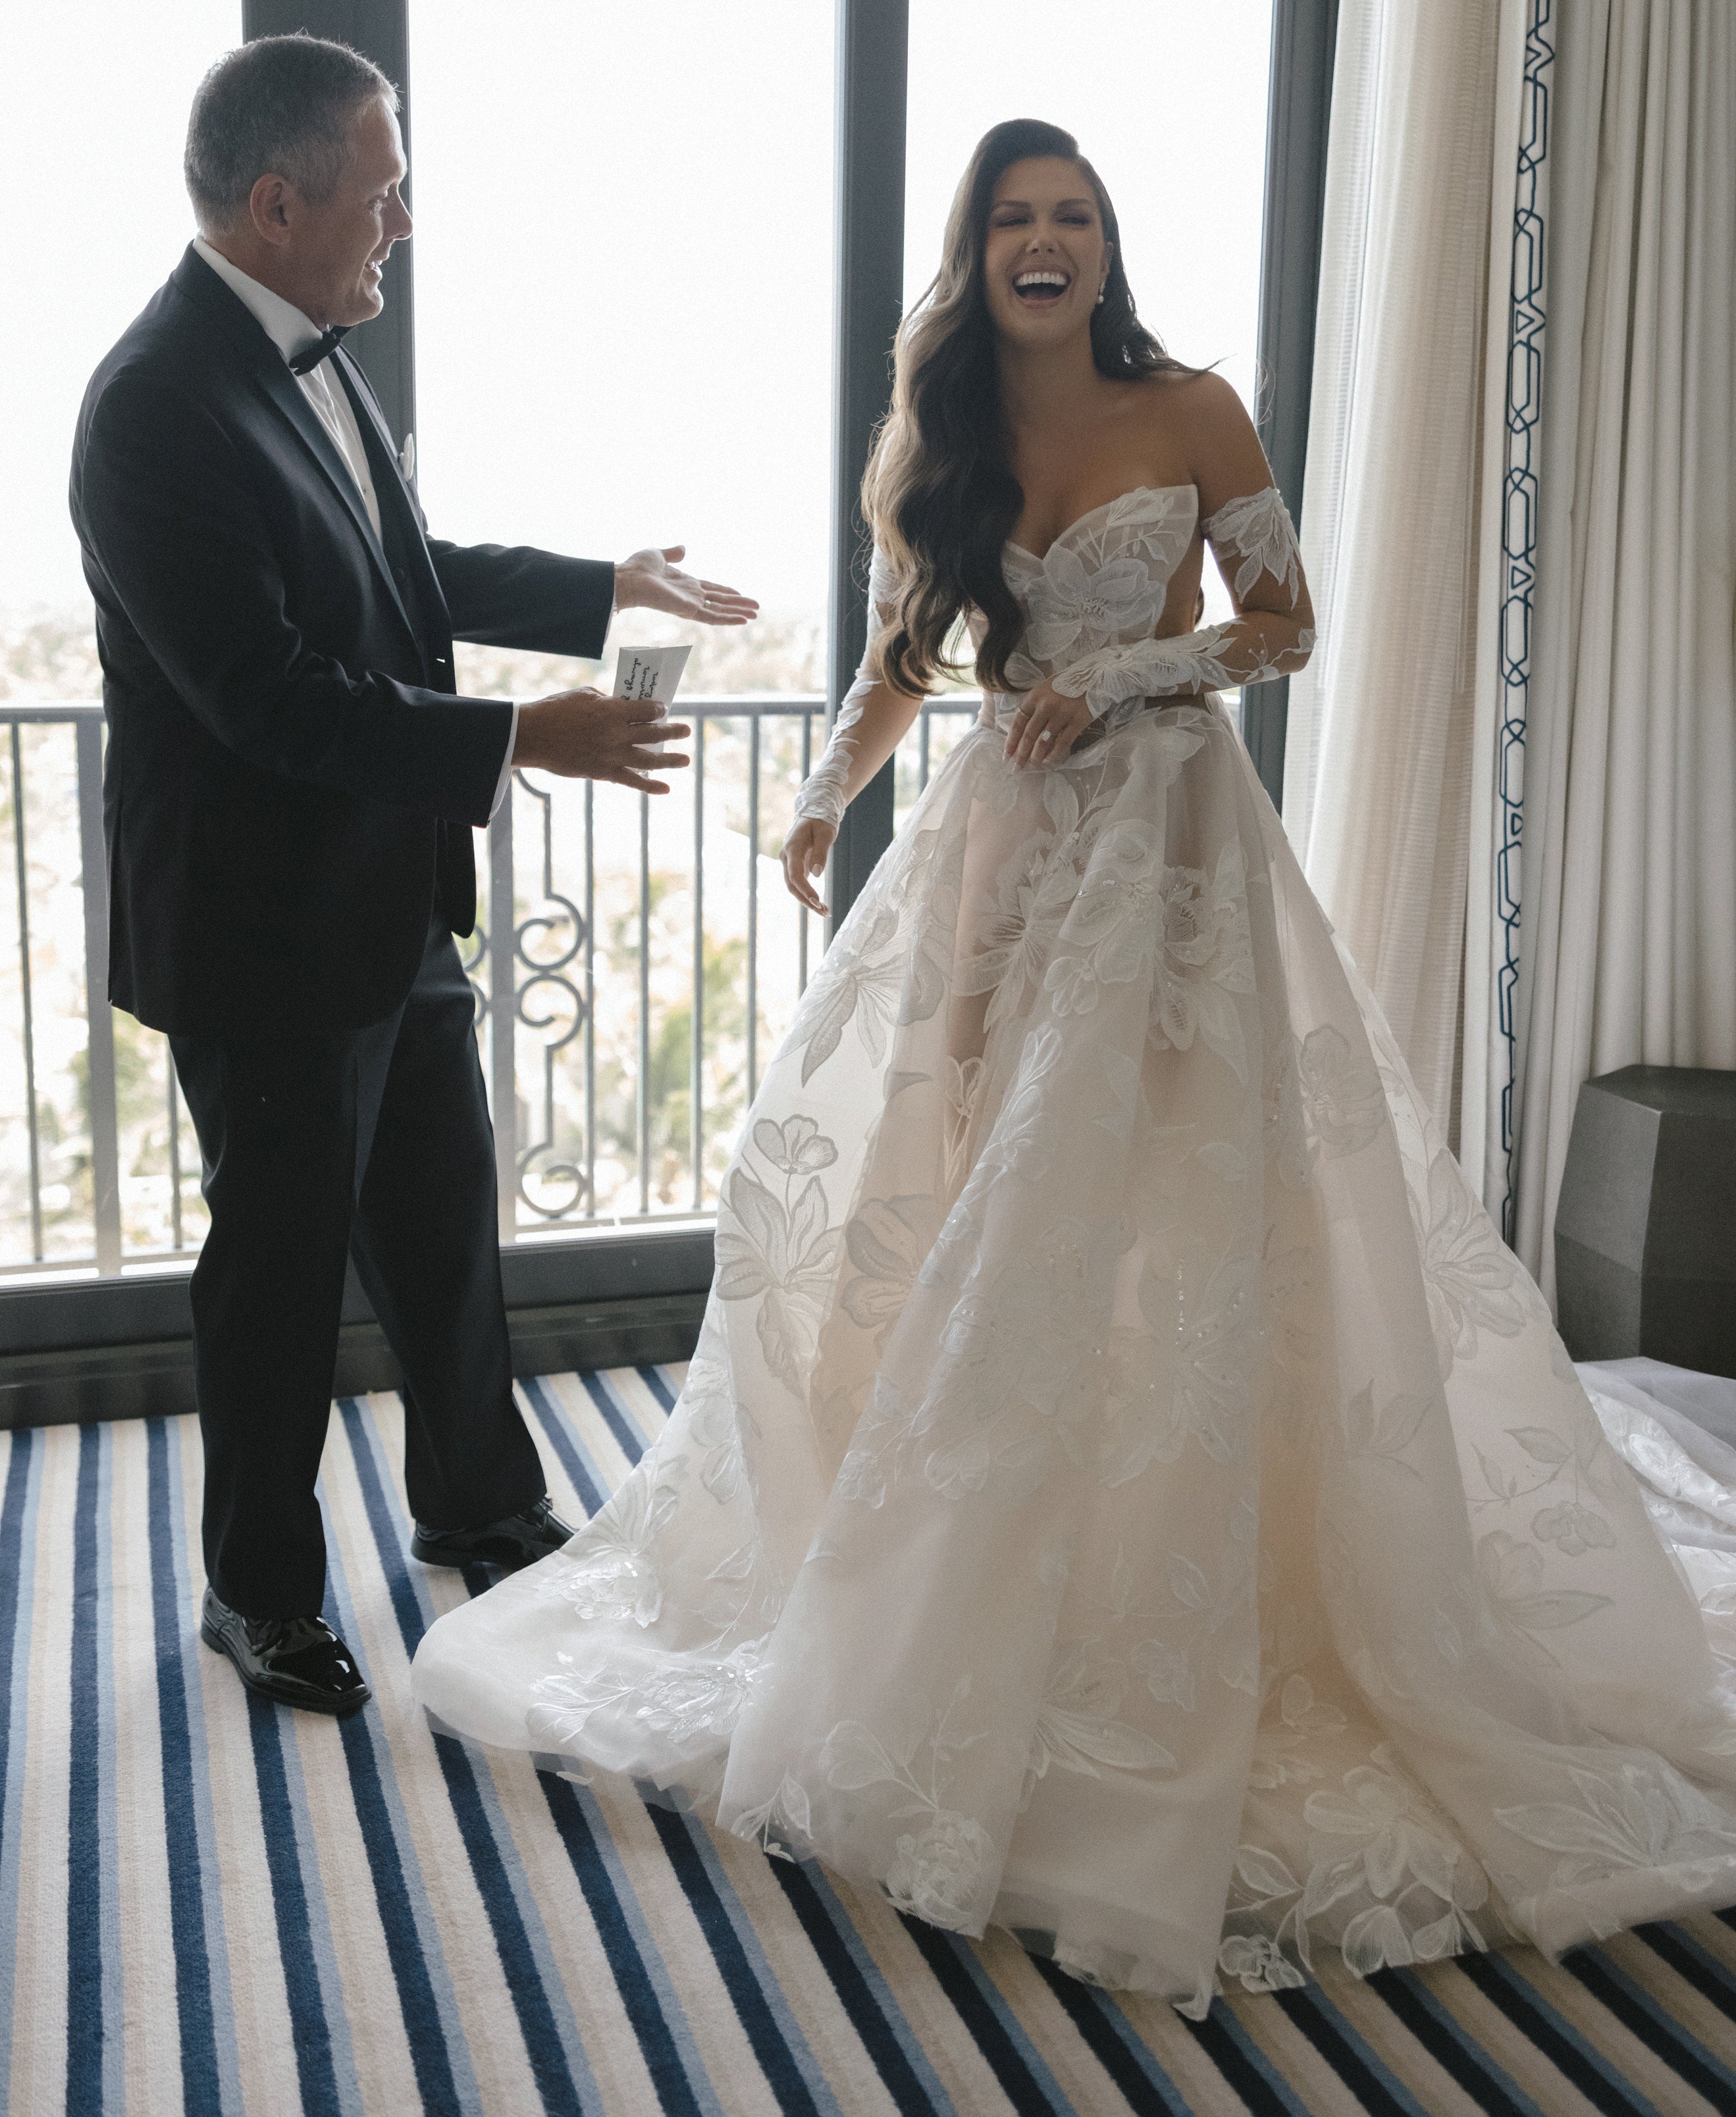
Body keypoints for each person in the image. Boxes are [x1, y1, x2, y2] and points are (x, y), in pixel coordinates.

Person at [412, 118, 1736, 2006]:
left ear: (1108, 247)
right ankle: (961, 1549)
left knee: (1176, 1194)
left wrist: (1119, 675)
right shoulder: (944, 440)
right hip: (1009, 860)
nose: (1047, 242)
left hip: (1173, 852)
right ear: (979, 254)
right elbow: (900, 649)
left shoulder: (1194, 409)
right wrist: (820, 796)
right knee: (970, 1191)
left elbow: (1283, 628)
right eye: (1015, 220)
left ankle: (1178, 1566)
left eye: (1075, 217)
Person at [70, 32, 756, 1719]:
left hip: (385, 900)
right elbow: (269, 698)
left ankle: (481, 1505)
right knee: (284, 1270)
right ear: (280, 199)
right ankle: (261, 1592)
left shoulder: (317, 347)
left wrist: (604, 583)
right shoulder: (152, 407)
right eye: (382, 192)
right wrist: (529, 740)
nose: (402, 220)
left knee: (447, 1227)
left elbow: (407, 568)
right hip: (257, 929)